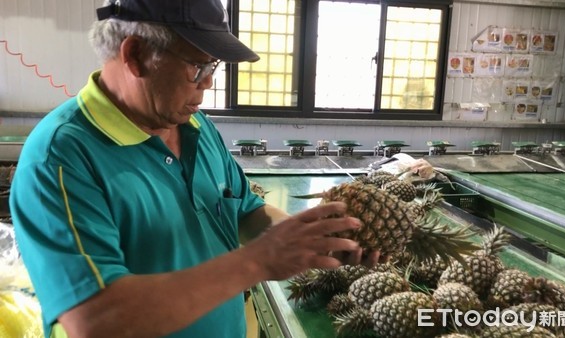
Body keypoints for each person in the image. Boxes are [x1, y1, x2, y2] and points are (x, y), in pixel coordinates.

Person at [9, 1, 381, 337]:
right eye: (198, 66)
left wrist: (318, 240)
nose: (209, 82)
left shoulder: (196, 128)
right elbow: (95, 319)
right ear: (136, 54)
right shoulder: (60, 158)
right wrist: (257, 261)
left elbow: (243, 211)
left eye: (213, 66)